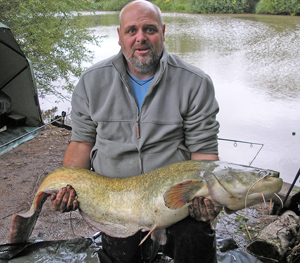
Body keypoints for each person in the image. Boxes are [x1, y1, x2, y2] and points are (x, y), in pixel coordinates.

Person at [51, 1, 221, 262]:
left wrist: (208, 196)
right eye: (131, 31)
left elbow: (204, 152)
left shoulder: (195, 83)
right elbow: (81, 143)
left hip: (176, 201)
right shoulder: (91, 82)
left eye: (149, 29)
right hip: (115, 203)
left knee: (194, 243)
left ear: (163, 32)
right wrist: (68, 187)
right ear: (119, 37)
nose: (141, 38)